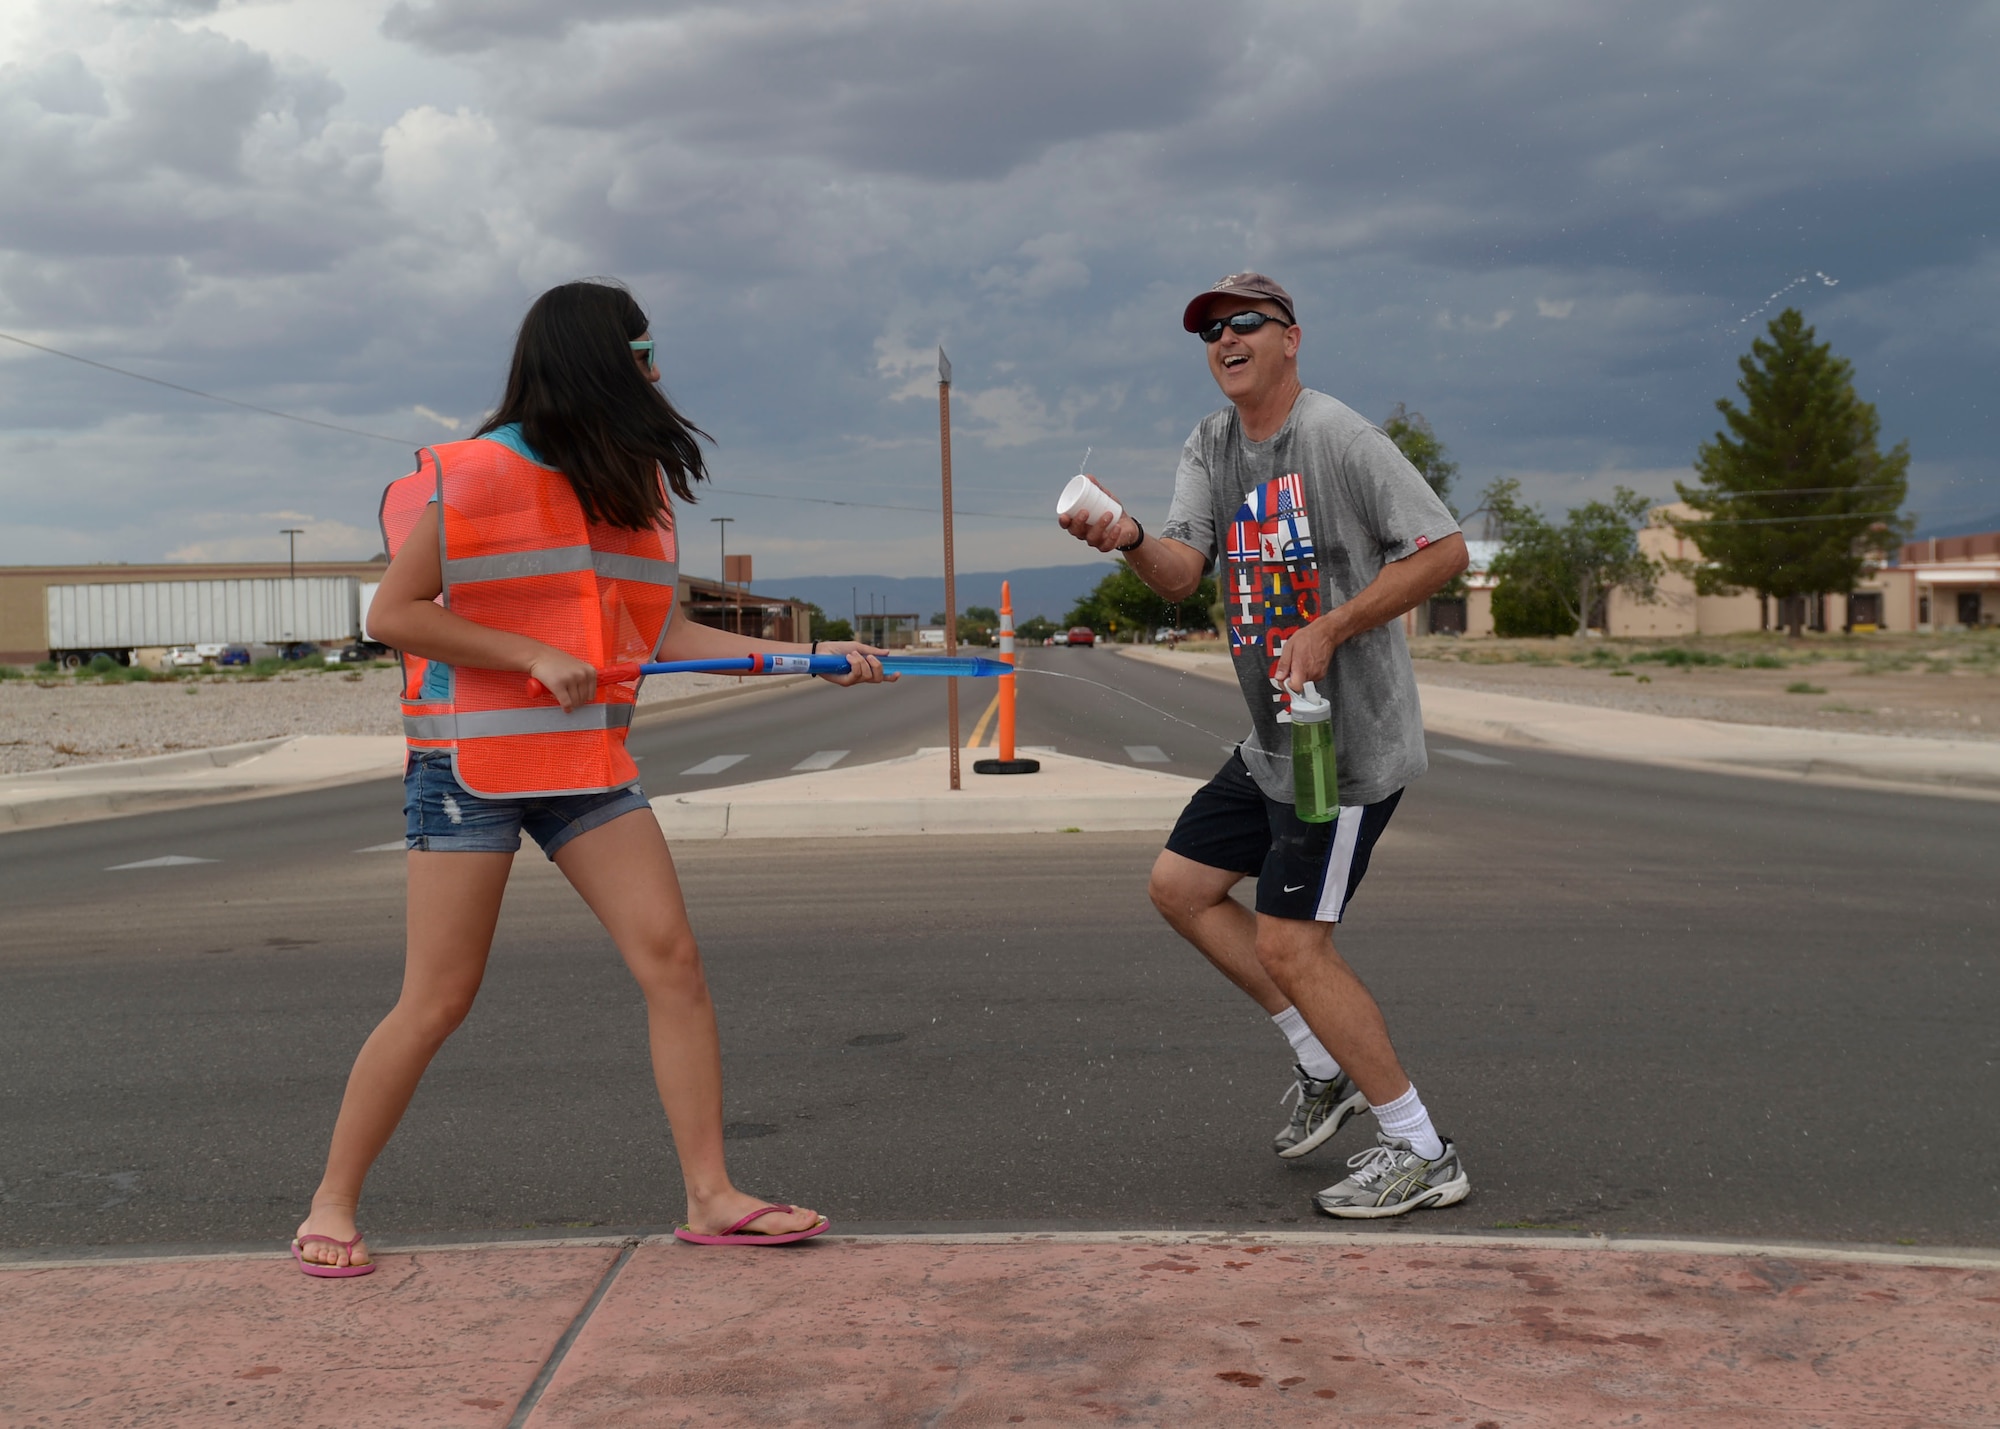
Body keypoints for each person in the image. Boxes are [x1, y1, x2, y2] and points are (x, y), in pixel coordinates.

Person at [291, 280, 889, 1275]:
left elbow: (662, 636)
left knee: (673, 963)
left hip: (584, 764)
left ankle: (711, 1196)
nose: (658, 369)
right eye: (646, 349)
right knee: (437, 997)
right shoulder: (473, 473)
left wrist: (803, 656)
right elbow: (393, 613)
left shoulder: (634, 488)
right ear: (602, 358)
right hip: (467, 767)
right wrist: (525, 655)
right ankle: (331, 1203)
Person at [1058, 272, 1472, 1218]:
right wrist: (1123, 535)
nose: (1226, 337)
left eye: (1247, 321)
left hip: (1347, 746)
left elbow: (1442, 549)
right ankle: (1321, 1058)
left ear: (1292, 338)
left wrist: (1333, 625)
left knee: (1292, 944)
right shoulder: (1210, 444)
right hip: (1275, 737)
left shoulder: (1337, 437)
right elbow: (1179, 573)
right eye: (1210, 328)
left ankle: (1420, 1147)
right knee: (1181, 886)